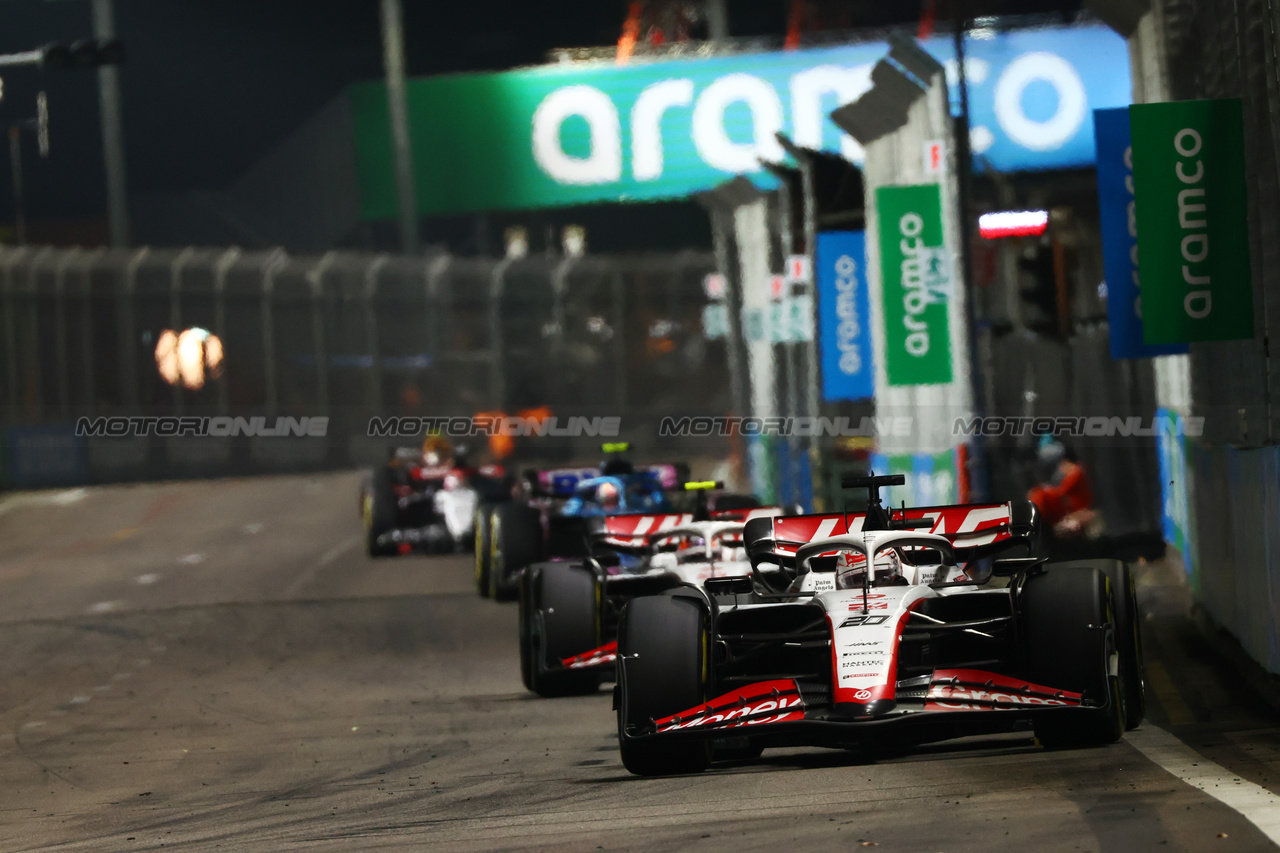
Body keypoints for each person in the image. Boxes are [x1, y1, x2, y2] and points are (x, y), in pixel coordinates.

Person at [1027, 436, 1102, 539]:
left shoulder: (1076, 473)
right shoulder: (1074, 473)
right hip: (1070, 510)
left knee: (1040, 495)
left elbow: (1062, 491)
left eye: (1062, 464)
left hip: (1076, 509)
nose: (1061, 468)